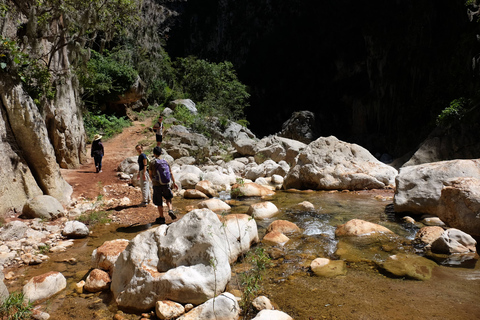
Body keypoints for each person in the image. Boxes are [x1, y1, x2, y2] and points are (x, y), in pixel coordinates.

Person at [149, 146, 178, 224]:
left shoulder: (152, 162)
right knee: (168, 198)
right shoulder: (166, 161)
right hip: (165, 183)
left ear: (154, 153)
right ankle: (170, 209)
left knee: (159, 202)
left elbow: (150, 174)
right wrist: (174, 183)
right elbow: (171, 172)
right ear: (161, 153)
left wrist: (152, 181)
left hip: (157, 184)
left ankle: (162, 218)